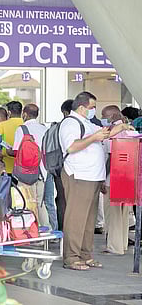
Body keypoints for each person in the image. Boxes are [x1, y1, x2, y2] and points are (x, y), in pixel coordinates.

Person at [59, 91, 133, 271]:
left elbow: (105, 134)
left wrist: (122, 128)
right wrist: (93, 138)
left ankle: (85, 254)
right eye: (92, 107)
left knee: (89, 220)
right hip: (78, 176)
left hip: (92, 177)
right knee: (76, 219)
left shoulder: (87, 123)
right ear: (82, 107)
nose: (94, 111)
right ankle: (71, 257)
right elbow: (71, 146)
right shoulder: (70, 123)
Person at [11, 104, 52, 230]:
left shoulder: (22, 129)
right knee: (40, 203)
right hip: (42, 172)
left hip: (26, 173)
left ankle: (33, 232)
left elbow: (16, 151)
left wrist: (6, 151)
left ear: (24, 114)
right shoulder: (44, 129)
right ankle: (47, 230)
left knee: (27, 202)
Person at [101, 105, 131, 255]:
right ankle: (123, 243)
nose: (103, 120)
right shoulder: (130, 130)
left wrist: (102, 179)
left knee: (113, 214)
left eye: (104, 116)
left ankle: (114, 247)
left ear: (112, 117)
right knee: (124, 212)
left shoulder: (112, 133)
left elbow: (111, 157)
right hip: (128, 177)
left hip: (112, 177)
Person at [53, 99, 74, 231]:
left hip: (60, 168)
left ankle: (63, 229)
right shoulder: (88, 125)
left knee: (62, 199)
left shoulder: (58, 127)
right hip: (79, 171)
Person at [0, 101, 24, 174]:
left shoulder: (2, 125)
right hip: (24, 168)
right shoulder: (26, 124)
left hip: (6, 167)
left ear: (9, 113)